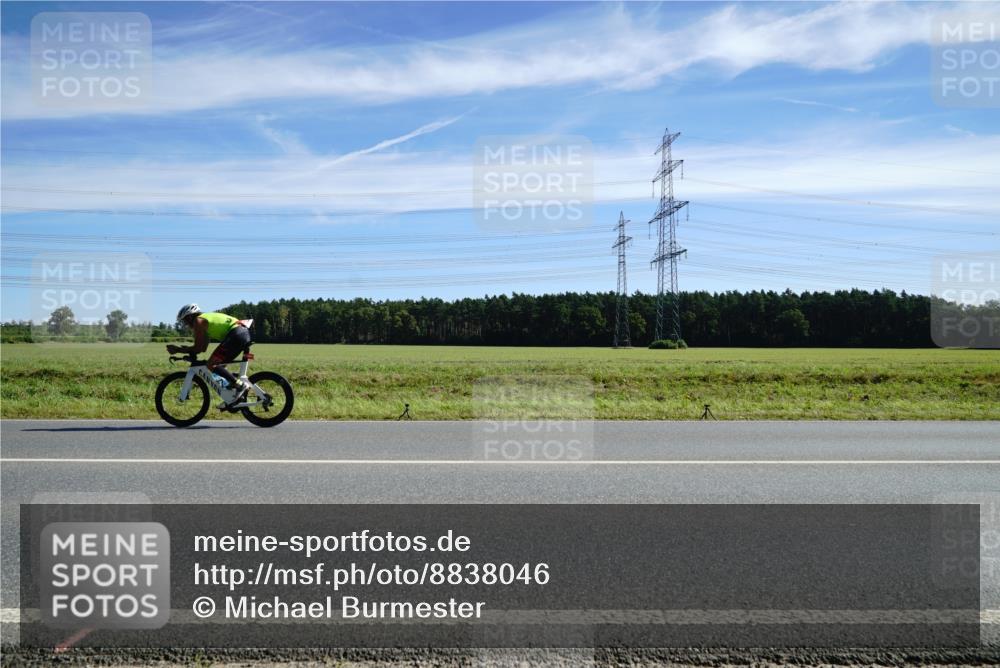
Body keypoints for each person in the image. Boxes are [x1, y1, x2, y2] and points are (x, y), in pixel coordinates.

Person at [167, 304, 251, 403]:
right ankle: (232, 396)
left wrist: (178, 350)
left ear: (190, 317)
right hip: (241, 333)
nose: (185, 324)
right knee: (219, 368)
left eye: (185, 321)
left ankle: (239, 385)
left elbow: (198, 348)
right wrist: (187, 349)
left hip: (236, 334)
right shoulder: (205, 322)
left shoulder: (198, 321)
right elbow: (202, 348)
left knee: (211, 364)